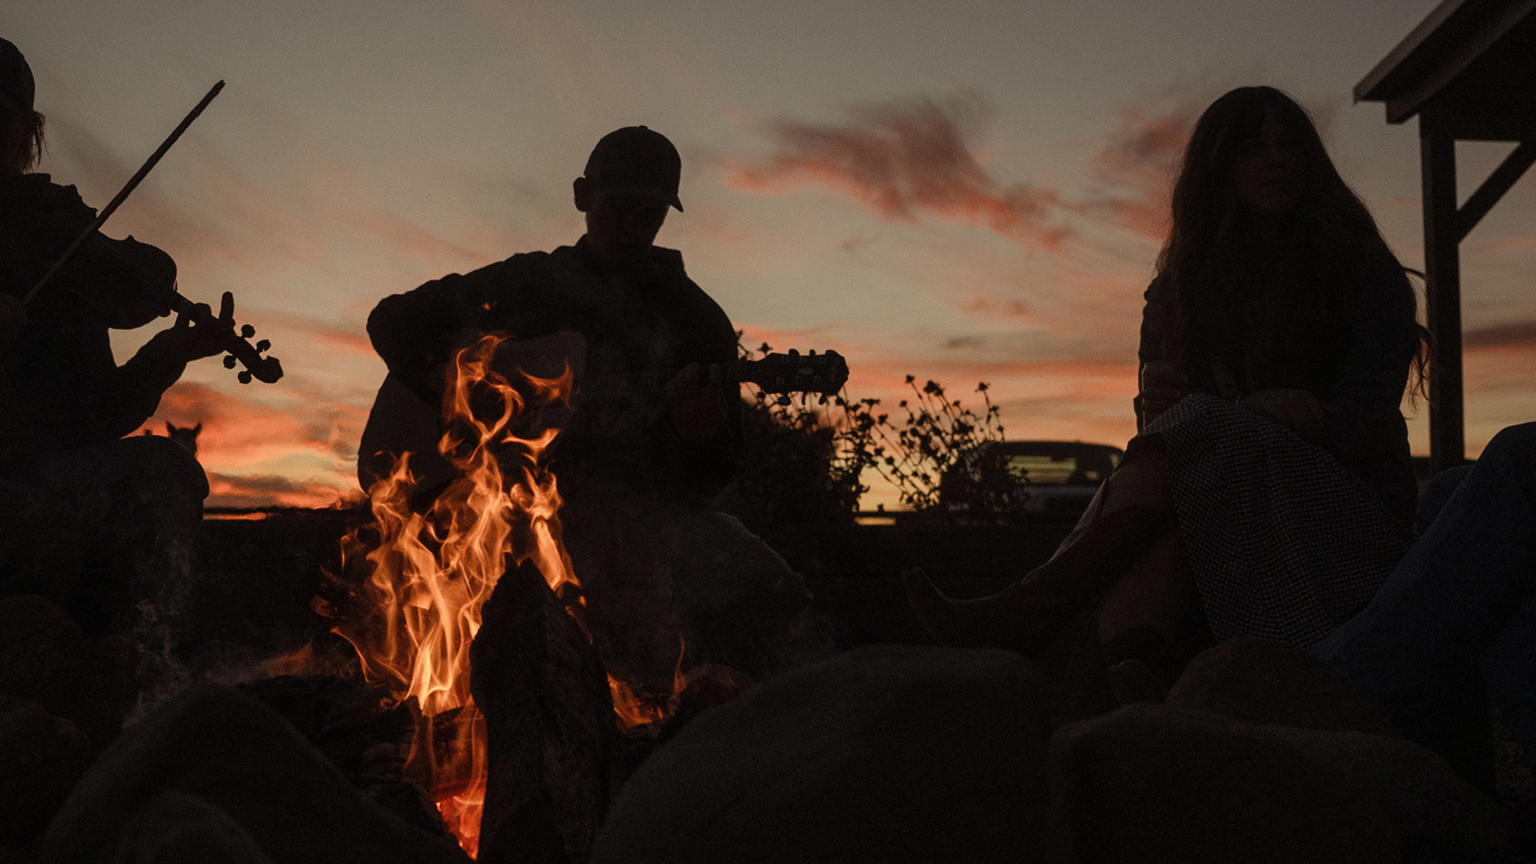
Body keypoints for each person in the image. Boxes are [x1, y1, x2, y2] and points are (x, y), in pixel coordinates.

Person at [907, 86, 1428, 720]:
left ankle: (1032, 614)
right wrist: (1239, 412)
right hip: (1216, 502)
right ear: (1220, 167)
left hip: (1343, 509)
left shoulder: (1362, 274)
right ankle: (1114, 700)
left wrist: (1244, 419)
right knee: (1173, 526)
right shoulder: (1180, 293)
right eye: (1254, 147)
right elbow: (1160, 431)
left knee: (1200, 444)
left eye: (1291, 147)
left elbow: (1364, 427)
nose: (1276, 162)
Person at [364, 126, 829, 700]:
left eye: (652, 212)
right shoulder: (530, 284)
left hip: (636, 523)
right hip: (504, 517)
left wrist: (699, 431)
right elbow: (391, 321)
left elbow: (708, 479)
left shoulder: (698, 322)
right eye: (621, 206)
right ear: (583, 196)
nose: (635, 225)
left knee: (773, 594)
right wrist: (463, 396)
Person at [0, 37, 233, 635]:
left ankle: (137, 674)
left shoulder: (58, 235)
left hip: (38, 484)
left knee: (167, 471)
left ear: (26, 132)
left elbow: (92, 416)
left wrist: (169, 352)